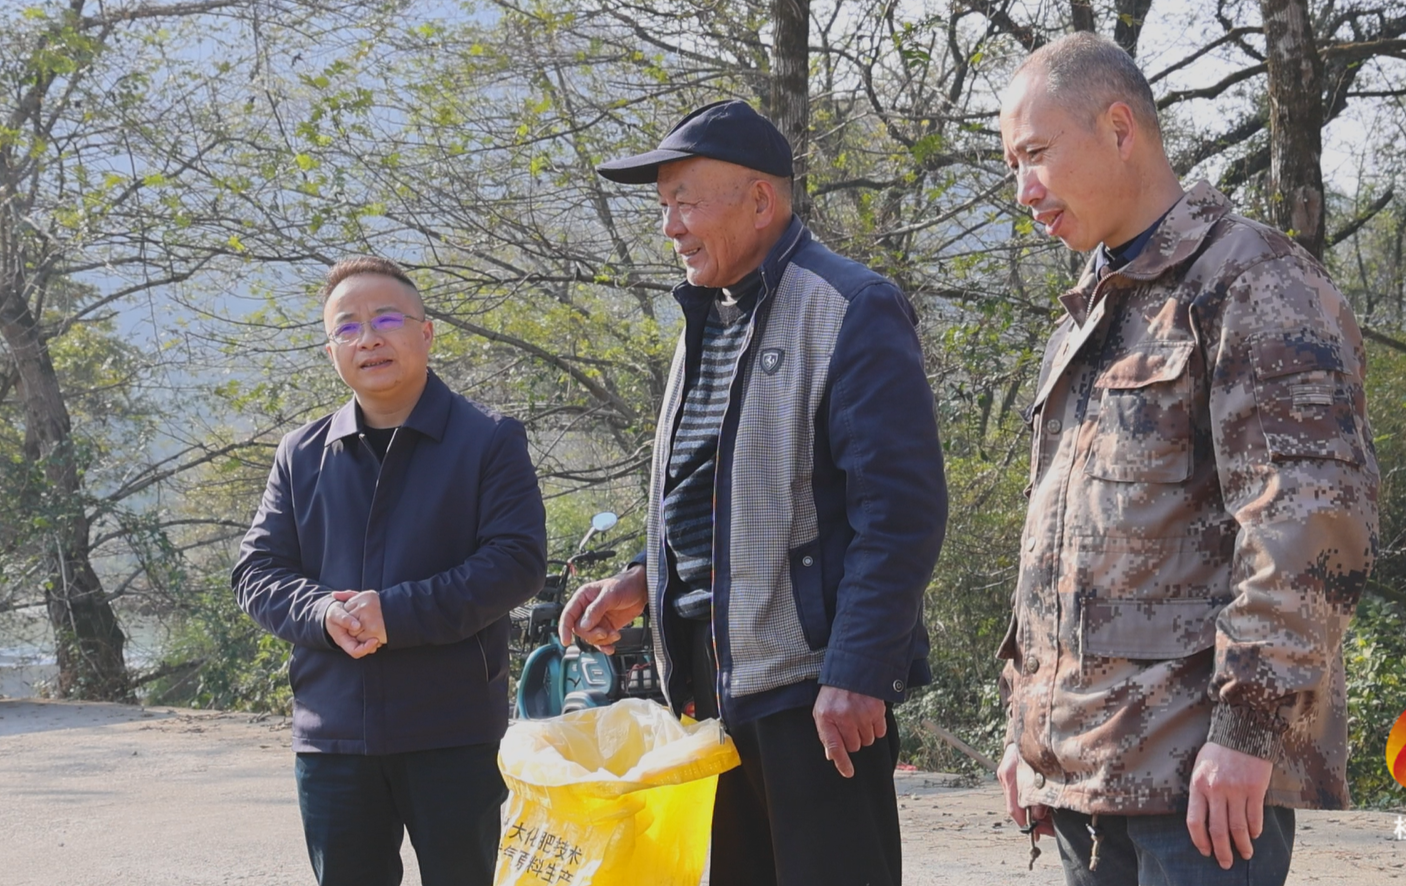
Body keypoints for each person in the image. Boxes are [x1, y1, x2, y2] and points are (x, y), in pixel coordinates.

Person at [994, 34, 1379, 886]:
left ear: (1119, 128)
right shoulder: (1088, 314)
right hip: (1084, 780)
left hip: (1200, 791)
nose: (1022, 190)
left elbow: (1314, 525)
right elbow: (1065, 547)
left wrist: (1251, 732)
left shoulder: (1251, 282)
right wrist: (1029, 729)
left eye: (1034, 156)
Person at [558, 99, 948, 886]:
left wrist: (858, 670)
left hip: (812, 690)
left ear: (761, 200)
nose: (668, 226)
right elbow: (715, 485)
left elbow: (900, 513)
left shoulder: (848, 305)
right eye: (662, 206)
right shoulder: (707, 312)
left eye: (684, 202)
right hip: (710, 685)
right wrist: (645, 576)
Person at [234, 256, 547, 886]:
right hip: (333, 734)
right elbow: (256, 571)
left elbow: (515, 562)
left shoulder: (487, 440)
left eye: (386, 319)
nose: (368, 338)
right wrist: (322, 612)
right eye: (347, 327)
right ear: (331, 351)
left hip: (450, 729)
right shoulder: (303, 452)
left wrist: (393, 612)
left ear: (425, 333)